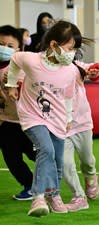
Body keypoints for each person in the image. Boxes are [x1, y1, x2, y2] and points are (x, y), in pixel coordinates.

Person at [6, 20, 98, 217]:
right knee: (45, 150)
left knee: (57, 160)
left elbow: (68, 96)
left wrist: (67, 118)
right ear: (54, 45)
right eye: (69, 48)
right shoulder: (31, 60)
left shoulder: (71, 70)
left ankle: (53, 195)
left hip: (57, 119)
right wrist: (11, 84)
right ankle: (38, 196)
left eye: (75, 49)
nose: (72, 53)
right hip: (32, 116)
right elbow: (14, 60)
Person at [0, 25, 36, 201]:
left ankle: (54, 177)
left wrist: (13, 85)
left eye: (9, 45)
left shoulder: (22, 69)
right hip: (6, 122)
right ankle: (30, 185)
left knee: (36, 154)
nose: (4, 48)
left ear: (18, 49)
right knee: (12, 159)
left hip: (27, 122)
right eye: (0, 44)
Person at [63, 57, 99, 212]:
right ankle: (78, 196)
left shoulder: (76, 65)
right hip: (61, 126)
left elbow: (95, 69)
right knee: (65, 163)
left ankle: (91, 176)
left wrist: (94, 71)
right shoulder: (46, 68)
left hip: (82, 123)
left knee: (87, 160)